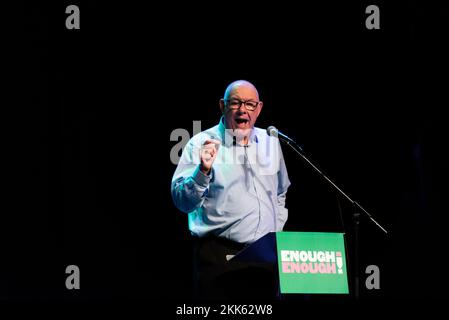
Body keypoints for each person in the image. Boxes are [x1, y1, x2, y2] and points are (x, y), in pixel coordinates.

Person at [171, 80, 291, 299]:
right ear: (222, 106)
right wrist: (202, 171)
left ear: (259, 108)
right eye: (235, 102)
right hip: (220, 259)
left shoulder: (270, 142)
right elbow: (182, 201)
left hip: (266, 259)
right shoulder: (200, 143)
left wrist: (276, 229)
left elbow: (281, 192)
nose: (242, 109)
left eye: (250, 104)